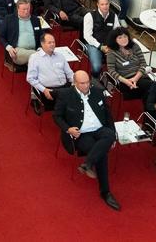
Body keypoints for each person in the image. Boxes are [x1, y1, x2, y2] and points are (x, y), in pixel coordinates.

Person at [53, 70, 122, 211]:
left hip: (99, 130)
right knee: (101, 153)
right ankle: (105, 192)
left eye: (87, 83)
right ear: (75, 83)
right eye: (82, 83)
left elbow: (108, 115)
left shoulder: (98, 92)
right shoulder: (65, 95)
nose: (86, 86)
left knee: (109, 135)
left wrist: (114, 135)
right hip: (81, 134)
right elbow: (57, 116)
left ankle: (87, 163)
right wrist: (68, 129)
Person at [26, 32, 73, 113]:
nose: (52, 44)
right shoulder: (35, 58)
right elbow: (30, 78)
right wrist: (44, 90)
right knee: (71, 101)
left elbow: (69, 73)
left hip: (65, 87)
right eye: (49, 42)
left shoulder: (60, 56)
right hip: (49, 90)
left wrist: (75, 82)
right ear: (42, 44)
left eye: (53, 42)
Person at [82, 0, 125, 77]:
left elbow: (118, 32)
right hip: (93, 44)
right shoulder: (89, 16)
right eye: (102, 4)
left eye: (106, 4)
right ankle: (94, 80)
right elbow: (87, 36)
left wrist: (115, 45)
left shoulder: (114, 16)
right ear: (97, 4)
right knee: (96, 67)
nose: (105, 6)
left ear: (109, 4)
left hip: (109, 45)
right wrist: (100, 46)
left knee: (123, 63)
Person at [0, 0, 48, 66]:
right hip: (17, 51)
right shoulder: (9, 19)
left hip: (34, 49)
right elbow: (1, 36)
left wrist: (40, 47)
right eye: (24, 9)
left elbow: (41, 36)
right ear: (18, 9)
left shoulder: (35, 20)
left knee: (35, 62)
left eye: (28, 9)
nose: (26, 11)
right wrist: (9, 47)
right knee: (38, 57)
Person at [106, 27, 148, 100]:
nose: (124, 39)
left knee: (150, 88)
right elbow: (111, 70)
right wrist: (126, 81)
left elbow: (143, 64)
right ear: (114, 40)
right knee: (150, 90)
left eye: (125, 36)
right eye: (120, 38)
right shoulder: (111, 52)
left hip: (140, 76)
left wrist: (135, 79)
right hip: (124, 80)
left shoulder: (134, 46)